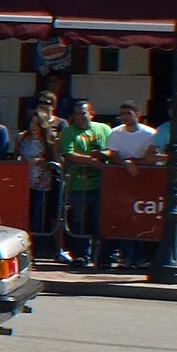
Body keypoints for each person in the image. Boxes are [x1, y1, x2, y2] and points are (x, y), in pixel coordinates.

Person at [103, 101, 158, 268]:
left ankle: (140, 257)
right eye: (123, 113)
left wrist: (135, 163)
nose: (125, 117)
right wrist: (125, 163)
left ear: (137, 113)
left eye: (129, 113)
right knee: (125, 218)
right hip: (122, 182)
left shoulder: (149, 133)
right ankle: (125, 257)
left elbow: (152, 157)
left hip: (144, 182)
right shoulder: (115, 132)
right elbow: (113, 155)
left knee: (142, 219)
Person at [57, 101, 112, 269]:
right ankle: (81, 256)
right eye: (77, 114)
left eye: (83, 113)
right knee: (79, 221)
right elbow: (69, 154)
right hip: (78, 185)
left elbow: (114, 149)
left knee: (100, 221)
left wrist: (103, 154)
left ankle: (103, 257)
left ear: (91, 114)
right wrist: (92, 161)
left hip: (101, 185)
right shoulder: (68, 132)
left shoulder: (104, 129)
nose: (80, 117)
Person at [20, 103, 61, 243]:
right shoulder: (22, 138)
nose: (34, 126)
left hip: (40, 182)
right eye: (32, 122)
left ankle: (36, 242)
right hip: (24, 181)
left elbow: (56, 161)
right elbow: (16, 156)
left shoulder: (49, 141)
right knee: (24, 212)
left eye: (37, 123)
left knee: (38, 213)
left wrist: (42, 161)